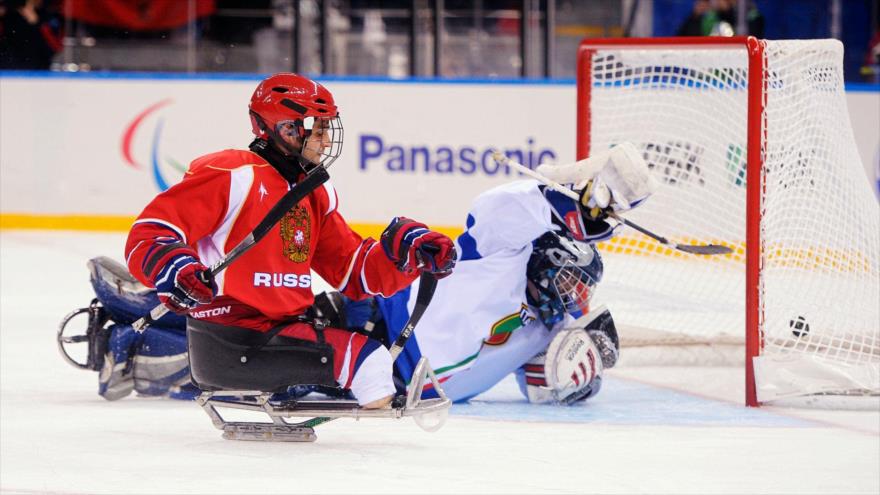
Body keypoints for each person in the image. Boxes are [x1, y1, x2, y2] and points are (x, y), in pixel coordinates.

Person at [116, 72, 456, 409]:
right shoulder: (233, 174)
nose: (325, 141)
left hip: (284, 329)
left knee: (365, 344)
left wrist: (406, 254)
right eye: (318, 128)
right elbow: (150, 232)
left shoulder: (313, 191)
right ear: (287, 128)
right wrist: (176, 269)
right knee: (370, 362)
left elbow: (354, 271)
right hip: (232, 339)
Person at [0, 0, 62, 70]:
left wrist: (37, 23)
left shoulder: (49, 17)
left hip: (38, 69)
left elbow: (56, 46)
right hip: (8, 69)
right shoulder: (8, 16)